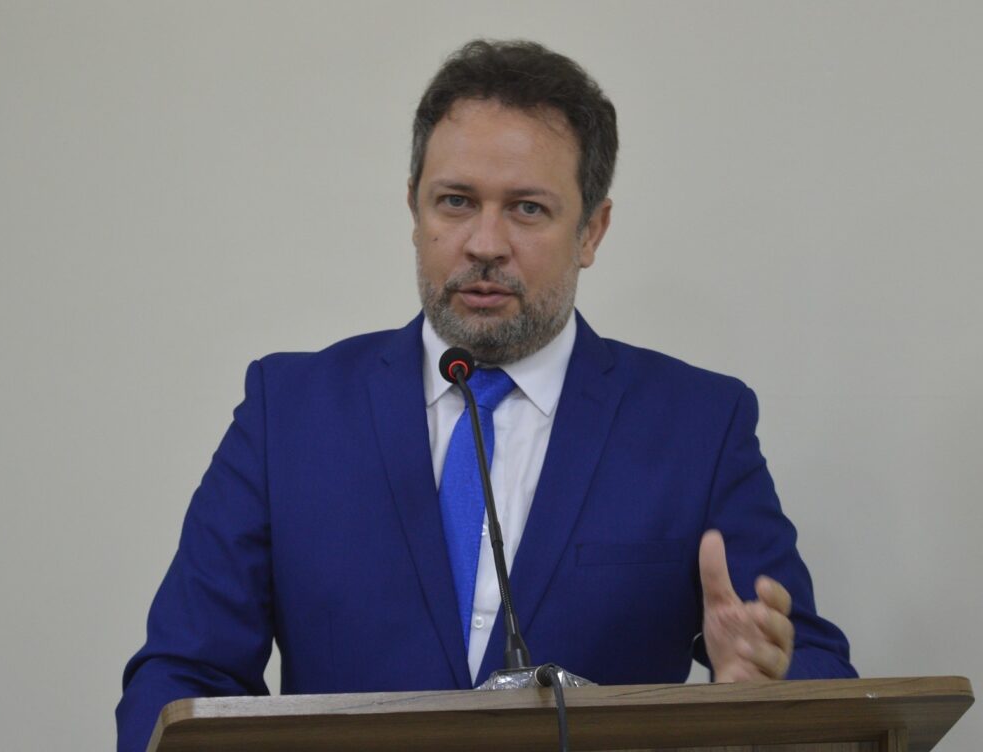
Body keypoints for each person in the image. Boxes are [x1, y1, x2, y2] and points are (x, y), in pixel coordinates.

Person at [117, 39, 855, 752]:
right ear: (415, 212)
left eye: (527, 208)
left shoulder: (697, 426)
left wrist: (761, 694)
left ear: (591, 231)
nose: (485, 243)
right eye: (456, 201)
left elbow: (814, 668)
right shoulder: (290, 412)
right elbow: (182, 674)